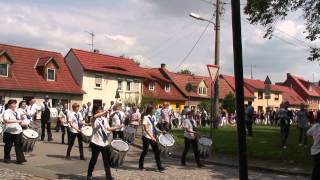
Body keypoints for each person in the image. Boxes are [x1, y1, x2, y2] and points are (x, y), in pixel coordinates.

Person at [87, 105, 122, 180]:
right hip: (96, 143)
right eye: (100, 109)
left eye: (101, 109)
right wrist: (105, 111)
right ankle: (89, 175)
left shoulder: (104, 119)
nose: (101, 110)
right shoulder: (93, 119)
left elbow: (108, 129)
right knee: (94, 160)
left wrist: (117, 127)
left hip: (104, 143)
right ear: (96, 111)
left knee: (106, 161)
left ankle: (108, 176)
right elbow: (95, 116)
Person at [139, 104, 165, 172]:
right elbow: (146, 129)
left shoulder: (153, 117)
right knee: (145, 151)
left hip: (152, 136)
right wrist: (152, 137)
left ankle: (160, 167)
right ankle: (140, 165)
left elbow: (154, 127)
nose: (154, 110)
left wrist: (161, 131)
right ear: (150, 110)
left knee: (156, 152)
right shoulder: (145, 118)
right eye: (153, 109)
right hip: (146, 137)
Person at [3, 99, 26, 164]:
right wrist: (17, 121)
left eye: (15, 104)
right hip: (9, 131)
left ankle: (20, 159)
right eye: (13, 104)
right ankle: (6, 158)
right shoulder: (7, 112)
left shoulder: (16, 112)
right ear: (9, 105)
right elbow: (6, 120)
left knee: (18, 145)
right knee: (8, 145)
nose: (15, 105)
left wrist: (22, 123)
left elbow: (18, 120)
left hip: (18, 130)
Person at [307, 110, 320, 180]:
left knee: (317, 168)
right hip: (318, 151)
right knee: (317, 169)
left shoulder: (315, 126)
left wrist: (314, 139)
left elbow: (308, 133)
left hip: (314, 151)